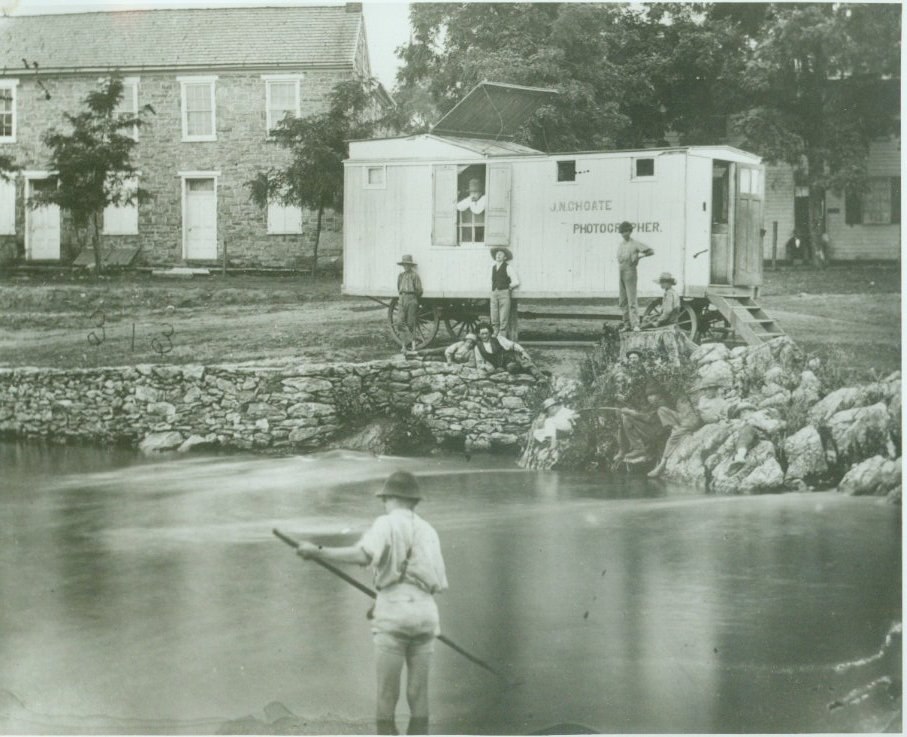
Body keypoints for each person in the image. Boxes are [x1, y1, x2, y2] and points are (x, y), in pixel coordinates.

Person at [296, 471, 448, 736]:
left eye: (385, 499)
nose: (383, 504)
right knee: (419, 693)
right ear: (414, 501)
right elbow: (439, 584)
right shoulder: (429, 530)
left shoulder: (385, 523)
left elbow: (363, 555)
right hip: (425, 612)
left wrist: (317, 552)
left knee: (387, 695)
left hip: (393, 613)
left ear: (390, 498)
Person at [647, 393, 702, 478]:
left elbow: (708, 415)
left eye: (709, 389)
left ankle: (662, 464)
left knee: (672, 438)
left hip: (692, 419)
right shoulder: (702, 399)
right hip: (683, 417)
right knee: (661, 410)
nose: (707, 391)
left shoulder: (717, 401)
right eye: (706, 389)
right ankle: (676, 428)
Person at [615, 221, 654, 332]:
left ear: (630, 231)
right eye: (622, 232)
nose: (624, 234)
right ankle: (626, 324)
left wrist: (640, 256)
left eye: (626, 231)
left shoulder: (635, 243)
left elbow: (651, 251)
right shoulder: (621, 244)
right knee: (623, 300)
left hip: (630, 272)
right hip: (621, 271)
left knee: (632, 300)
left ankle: (635, 324)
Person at [613, 387, 667, 465]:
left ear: (659, 395)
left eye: (652, 395)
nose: (650, 398)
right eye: (648, 395)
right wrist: (628, 409)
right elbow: (643, 413)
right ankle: (623, 449)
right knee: (624, 418)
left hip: (658, 434)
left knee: (627, 417)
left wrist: (632, 412)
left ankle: (638, 448)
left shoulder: (662, 404)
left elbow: (649, 418)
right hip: (652, 431)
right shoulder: (653, 404)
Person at [473, 322, 545, 380]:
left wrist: (523, 351)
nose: (485, 336)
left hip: (510, 358)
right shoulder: (478, 347)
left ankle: (541, 378)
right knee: (512, 368)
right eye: (482, 334)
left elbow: (513, 345)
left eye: (486, 333)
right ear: (479, 334)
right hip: (500, 367)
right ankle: (534, 371)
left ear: (490, 333)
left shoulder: (498, 339)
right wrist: (485, 367)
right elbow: (479, 362)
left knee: (521, 363)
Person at [489, 247, 520, 339]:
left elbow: (516, 281)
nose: (498, 255)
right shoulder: (493, 267)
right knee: (494, 313)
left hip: (504, 293)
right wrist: (493, 289)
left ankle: (502, 335)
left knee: (504, 315)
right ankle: (495, 332)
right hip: (494, 293)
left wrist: (509, 287)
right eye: (497, 254)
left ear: (505, 257)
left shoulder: (508, 267)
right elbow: (491, 280)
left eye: (500, 254)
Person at [396, 255, 423, 353]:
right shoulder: (401, 276)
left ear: (410, 265)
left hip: (412, 299)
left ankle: (411, 346)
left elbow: (419, 290)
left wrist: (414, 299)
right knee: (400, 323)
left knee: (411, 323)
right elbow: (398, 287)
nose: (406, 266)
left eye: (407, 265)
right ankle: (407, 343)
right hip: (402, 298)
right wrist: (402, 297)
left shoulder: (415, 276)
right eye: (404, 265)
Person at [457, 178, 486, 243]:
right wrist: (471, 200)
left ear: (480, 192)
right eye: (471, 192)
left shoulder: (484, 198)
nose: (473, 195)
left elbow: (477, 210)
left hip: (483, 226)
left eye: (475, 192)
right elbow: (459, 206)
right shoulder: (470, 198)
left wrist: (471, 202)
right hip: (471, 226)